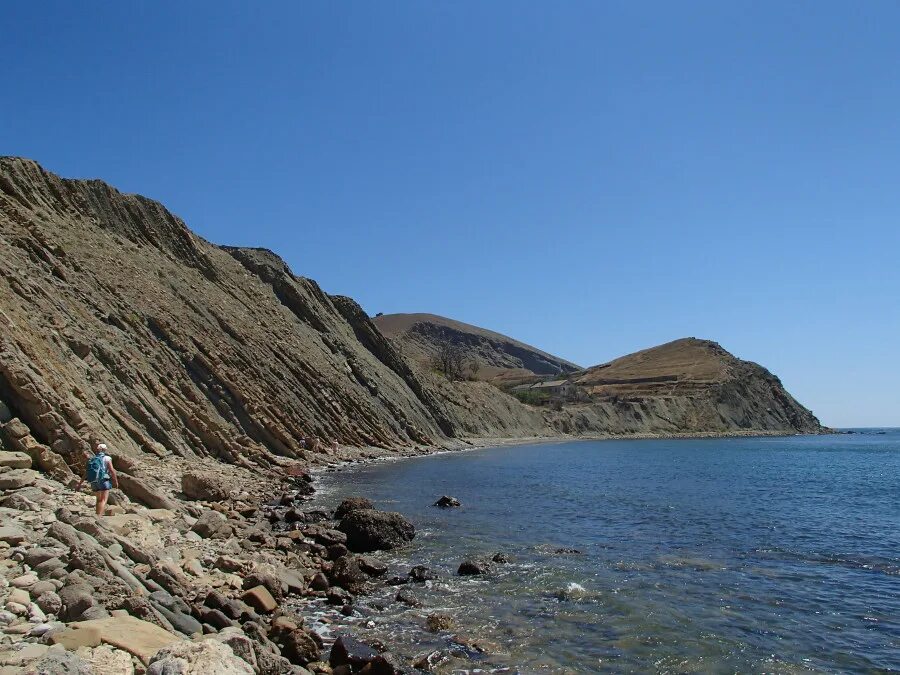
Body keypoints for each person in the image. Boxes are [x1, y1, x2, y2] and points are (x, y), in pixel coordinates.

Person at [77, 442, 119, 516]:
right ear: (104, 450)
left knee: (98, 500)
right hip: (103, 480)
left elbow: (86, 472)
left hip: (93, 481)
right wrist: (115, 481)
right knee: (103, 500)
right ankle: (99, 517)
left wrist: (80, 483)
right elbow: (112, 470)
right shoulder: (107, 458)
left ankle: (97, 515)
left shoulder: (92, 459)